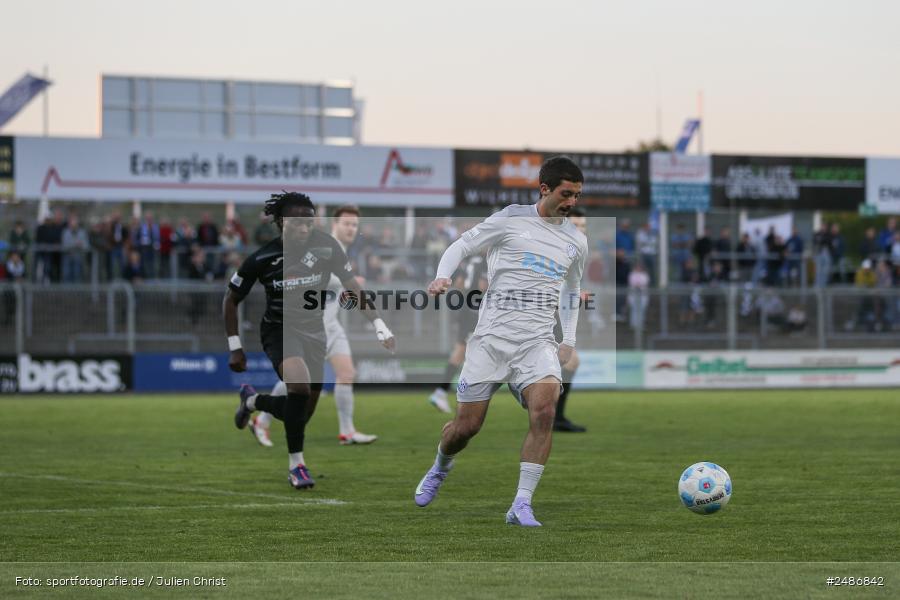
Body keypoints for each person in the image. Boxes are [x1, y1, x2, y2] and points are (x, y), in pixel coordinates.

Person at [412, 156, 588, 527]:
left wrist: (567, 339)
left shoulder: (576, 241)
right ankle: (441, 466)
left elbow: (572, 292)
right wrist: (443, 276)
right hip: (490, 341)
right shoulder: (510, 219)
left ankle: (521, 503)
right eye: (566, 193)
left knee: (545, 412)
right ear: (544, 189)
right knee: (466, 428)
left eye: (576, 195)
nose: (572, 202)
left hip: (537, 343)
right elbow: (461, 245)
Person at [225, 192, 395, 490]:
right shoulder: (262, 258)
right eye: (298, 222)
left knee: (301, 414)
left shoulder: (327, 247)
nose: (305, 227)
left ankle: (252, 401)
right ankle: (297, 466)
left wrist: (379, 323)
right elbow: (231, 299)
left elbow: (353, 288)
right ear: (281, 222)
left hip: (315, 332)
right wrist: (235, 346)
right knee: (299, 390)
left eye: (309, 221)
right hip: (279, 331)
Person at [250, 205, 381, 446]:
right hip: (311, 326)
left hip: (331, 324)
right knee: (298, 381)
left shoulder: (341, 250)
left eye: (355, 225)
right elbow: (303, 274)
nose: (351, 229)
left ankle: (347, 431)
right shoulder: (322, 246)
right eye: (347, 224)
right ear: (335, 224)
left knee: (346, 373)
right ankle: (262, 420)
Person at [426, 255, 487, 414]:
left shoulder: (471, 260)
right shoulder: (487, 261)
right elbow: (482, 286)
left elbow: (459, 283)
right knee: (468, 355)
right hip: (475, 311)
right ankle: (456, 394)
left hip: (466, 309)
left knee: (461, 353)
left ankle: (442, 392)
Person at [553, 206, 588, 433]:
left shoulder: (576, 248)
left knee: (569, 363)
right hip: (543, 314)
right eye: (576, 225)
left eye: (584, 226)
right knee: (567, 363)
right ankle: (551, 415)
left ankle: (553, 416)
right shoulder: (557, 246)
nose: (581, 230)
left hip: (554, 314)